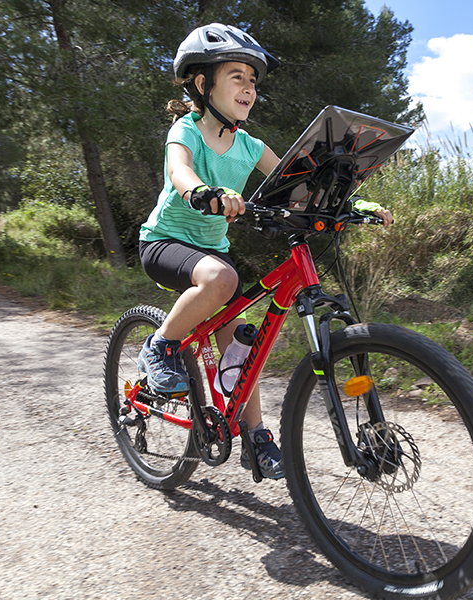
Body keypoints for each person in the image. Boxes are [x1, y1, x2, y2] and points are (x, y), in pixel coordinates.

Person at [137, 23, 392, 481]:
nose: (249, 87)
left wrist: (352, 203)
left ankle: (254, 437)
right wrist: (202, 191)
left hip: (212, 252)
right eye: (237, 76)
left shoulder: (252, 145)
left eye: (253, 81)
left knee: (240, 347)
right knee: (222, 279)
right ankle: (160, 345)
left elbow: (297, 188)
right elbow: (180, 171)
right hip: (164, 243)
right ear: (202, 83)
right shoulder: (187, 129)